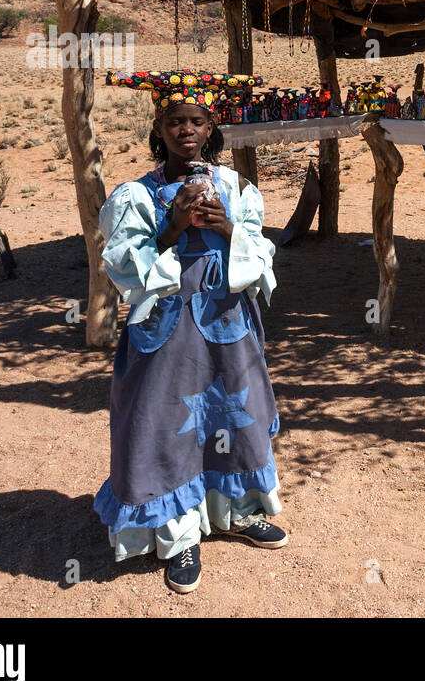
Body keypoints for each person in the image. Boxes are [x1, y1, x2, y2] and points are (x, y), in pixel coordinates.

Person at [93, 69, 287, 594]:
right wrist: (173, 227)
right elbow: (123, 268)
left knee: (235, 412)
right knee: (163, 422)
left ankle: (239, 512)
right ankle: (178, 538)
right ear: (159, 128)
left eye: (195, 121)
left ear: (210, 126)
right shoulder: (136, 195)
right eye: (174, 121)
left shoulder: (237, 187)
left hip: (226, 322)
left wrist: (226, 228)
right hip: (165, 330)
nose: (185, 130)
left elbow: (262, 256)